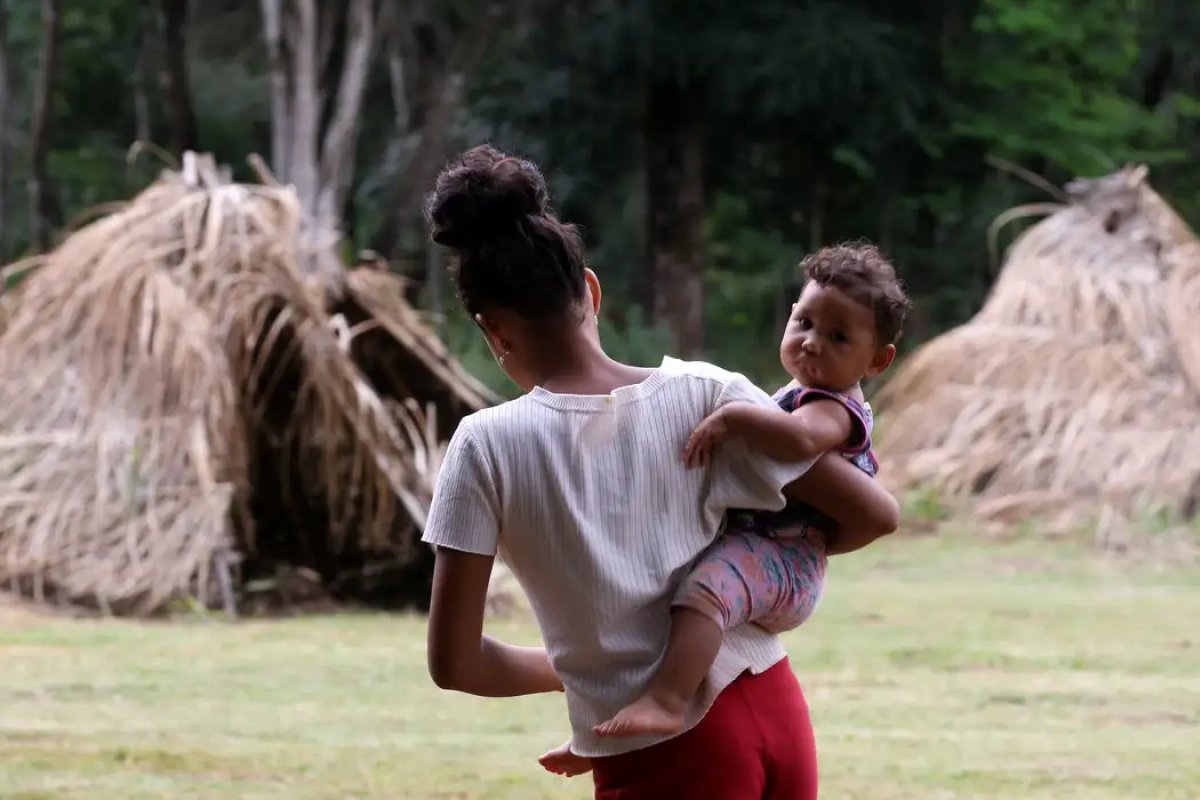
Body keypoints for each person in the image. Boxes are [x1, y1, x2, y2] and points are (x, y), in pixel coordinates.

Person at [421, 144, 900, 800]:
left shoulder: (484, 448)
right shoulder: (709, 393)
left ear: (493, 330)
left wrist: (585, 673)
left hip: (661, 751)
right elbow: (873, 513)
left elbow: (456, 663)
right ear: (590, 290)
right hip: (774, 707)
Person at [586, 243, 910, 745]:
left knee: (705, 592)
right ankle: (614, 711)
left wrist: (735, 416)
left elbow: (800, 441)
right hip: (768, 545)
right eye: (804, 322)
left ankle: (668, 702)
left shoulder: (834, 410)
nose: (812, 342)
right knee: (665, 597)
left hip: (785, 557)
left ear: (878, 360)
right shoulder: (798, 392)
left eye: (838, 336)